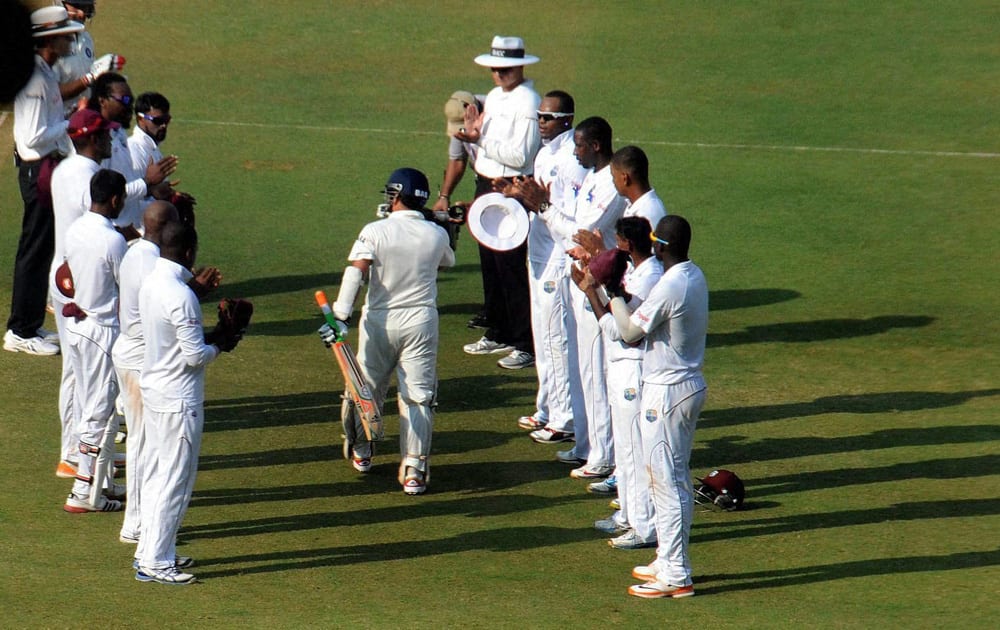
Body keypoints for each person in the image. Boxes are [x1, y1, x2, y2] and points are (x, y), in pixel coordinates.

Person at [591, 215, 708, 599]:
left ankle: (676, 573)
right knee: (673, 479)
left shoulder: (670, 285)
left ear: (660, 246)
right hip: (685, 385)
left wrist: (612, 293)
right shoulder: (694, 275)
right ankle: (667, 559)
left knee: (668, 483)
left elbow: (628, 333)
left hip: (667, 390)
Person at [320, 168, 455, 495]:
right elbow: (447, 261)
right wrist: (441, 224)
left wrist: (340, 315)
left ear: (395, 195)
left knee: (364, 389)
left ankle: (362, 450)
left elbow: (357, 271)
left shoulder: (375, 230)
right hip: (421, 322)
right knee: (418, 397)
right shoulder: (436, 235)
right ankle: (414, 468)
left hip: (379, 321)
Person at [508, 117, 627, 478]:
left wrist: (543, 207)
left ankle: (602, 456)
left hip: (597, 287)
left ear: (595, 146)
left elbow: (578, 236)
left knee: (594, 373)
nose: (573, 152)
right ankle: (586, 444)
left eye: (578, 145)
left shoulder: (609, 184)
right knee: (580, 368)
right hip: (582, 282)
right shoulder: (591, 177)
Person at [136, 222, 237, 585]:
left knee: (160, 475)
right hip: (179, 398)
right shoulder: (181, 296)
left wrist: (197, 298)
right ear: (190, 253)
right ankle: (157, 561)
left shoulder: (153, 281)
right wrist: (222, 343)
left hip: (156, 391)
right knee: (175, 481)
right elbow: (195, 356)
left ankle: (150, 550)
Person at [573, 216, 663, 550]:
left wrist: (591, 292)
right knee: (625, 450)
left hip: (633, 368)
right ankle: (628, 514)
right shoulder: (637, 271)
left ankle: (644, 526)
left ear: (626, 243)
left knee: (633, 449)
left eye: (617, 240)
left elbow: (619, 332)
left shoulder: (649, 276)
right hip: (621, 367)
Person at [457, 36, 541, 370]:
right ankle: (499, 331)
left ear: (520, 66)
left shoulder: (528, 101)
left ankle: (524, 342)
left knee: (510, 266)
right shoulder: (494, 96)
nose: (498, 74)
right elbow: (489, 144)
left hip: (512, 190)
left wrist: (481, 140)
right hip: (486, 184)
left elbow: (521, 155)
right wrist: (478, 138)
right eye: (495, 68)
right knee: (490, 264)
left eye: (505, 68)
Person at [508, 90, 587, 442]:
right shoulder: (544, 154)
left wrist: (538, 204)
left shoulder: (572, 159)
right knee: (542, 335)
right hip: (537, 254)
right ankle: (546, 406)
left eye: (548, 117)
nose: (541, 122)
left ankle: (565, 417)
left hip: (557, 258)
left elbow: (570, 217)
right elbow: (537, 199)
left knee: (557, 338)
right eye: (539, 116)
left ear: (567, 119)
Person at [5, 5, 83, 357]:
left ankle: (30, 323)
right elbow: (34, 137)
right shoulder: (37, 79)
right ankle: (19, 331)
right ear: (50, 40)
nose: (72, 39)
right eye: (66, 35)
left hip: (45, 167)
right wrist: (72, 124)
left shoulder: (44, 72)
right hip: (38, 170)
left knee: (40, 248)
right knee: (34, 250)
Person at [49, 108, 117, 479]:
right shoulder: (87, 174)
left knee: (78, 371)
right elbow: (105, 215)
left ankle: (82, 452)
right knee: (86, 374)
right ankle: (77, 457)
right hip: (79, 282)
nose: (109, 138)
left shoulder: (65, 168)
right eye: (104, 133)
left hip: (67, 277)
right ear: (90, 138)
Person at [61, 169, 128, 513]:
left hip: (78, 328)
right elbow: (126, 284)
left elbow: (64, 274)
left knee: (95, 407)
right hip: (102, 332)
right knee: (99, 412)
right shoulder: (112, 240)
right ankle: (82, 492)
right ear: (116, 199)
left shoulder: (75, 230)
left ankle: (102, 485)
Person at [112, 201, 178, 544]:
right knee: (144, 443)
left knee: (144, 442)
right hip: (139, 358)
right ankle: (135, 524)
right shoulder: (154, 264)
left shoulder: (135, 250)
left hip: (128, 352)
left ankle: (139, 521)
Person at [87, 72, 177, 234]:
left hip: (127, 229)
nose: (130, 106)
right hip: (112, 230)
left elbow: (131, 197)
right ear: (103, 101)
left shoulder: (119, 133)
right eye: (125, 100)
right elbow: (102, 197)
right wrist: (148, 183)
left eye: (131, 100)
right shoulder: (100, 144)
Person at [54, 1, 125, 115]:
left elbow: (90, 87)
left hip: (84, 121)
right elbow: (52, 94)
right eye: (77, 7)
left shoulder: (86, 39)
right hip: (59, 124)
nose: (81, 13)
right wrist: (90, 78)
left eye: (85, 7)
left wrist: (104, 77)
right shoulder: (49, 44)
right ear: (59, 4)